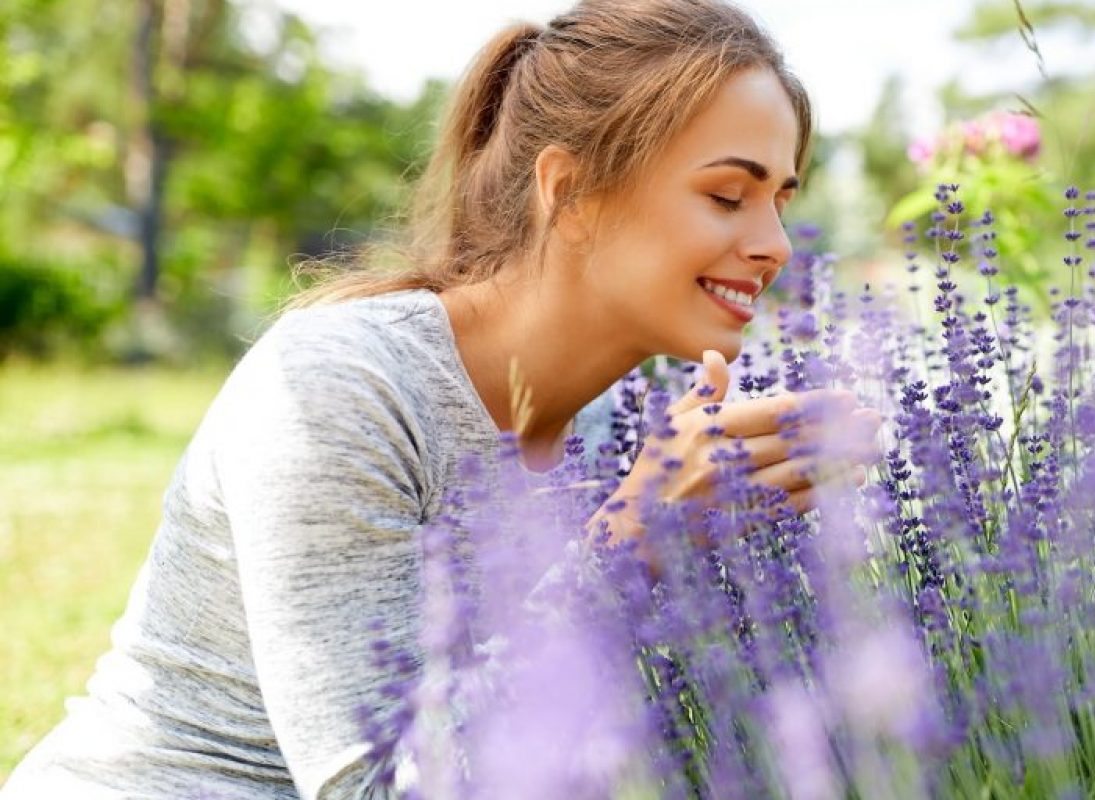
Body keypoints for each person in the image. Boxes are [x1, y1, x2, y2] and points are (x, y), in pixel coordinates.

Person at [1, 1, 882, 796]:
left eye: (781, 199)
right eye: (729, 194)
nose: (773, 245)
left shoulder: (632, 421)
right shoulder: (340, 389)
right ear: (569, 192)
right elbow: (375, 790)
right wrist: (633, 541)